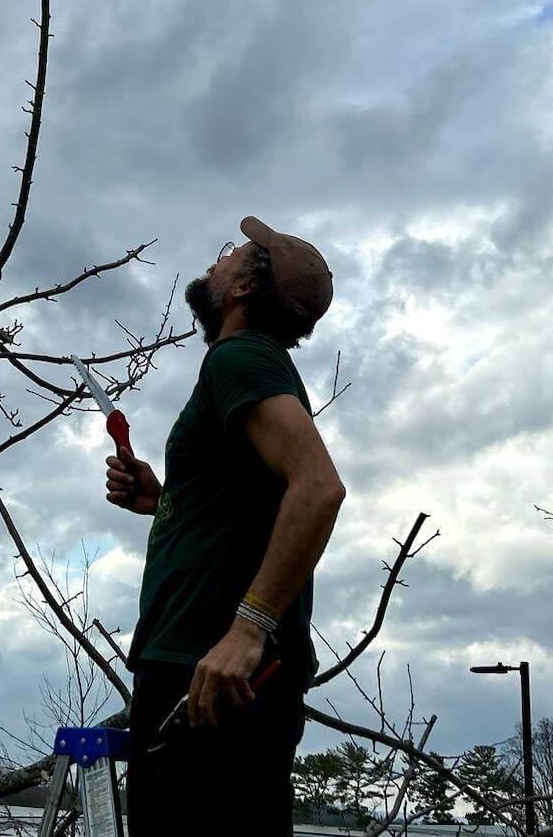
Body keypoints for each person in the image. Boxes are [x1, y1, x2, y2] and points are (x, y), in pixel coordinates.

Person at [105, 215, 346, 837]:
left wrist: (248, 630)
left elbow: (319, 488)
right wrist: (164, 501)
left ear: (242, 289)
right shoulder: (249, 368)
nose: (214, 265)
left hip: (214, 678)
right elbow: (249, 505)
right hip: (213, 674)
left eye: (227, 257)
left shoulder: (239, 358)